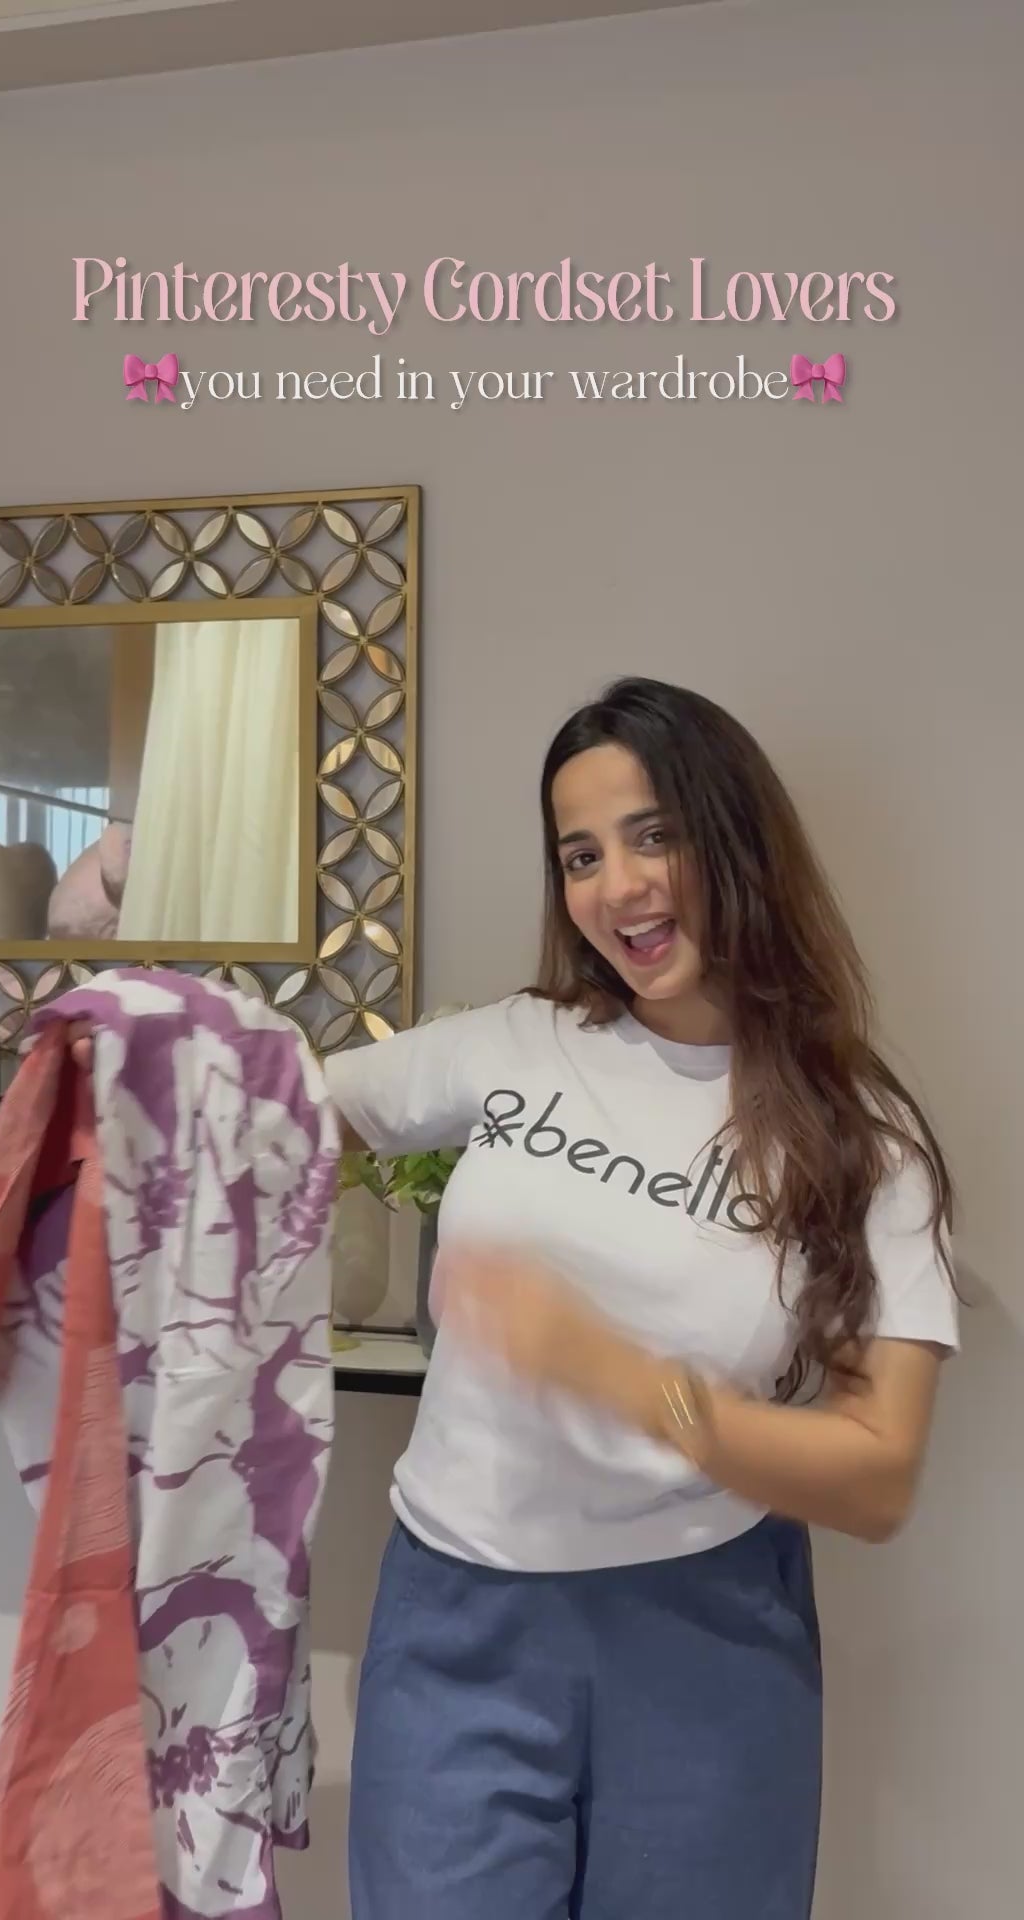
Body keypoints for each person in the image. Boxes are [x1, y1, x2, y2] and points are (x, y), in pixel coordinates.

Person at [321, 676, 959, 1920]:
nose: (619, 888)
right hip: (455, 1616)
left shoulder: (864, 1137)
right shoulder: (516, 1041)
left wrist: (622, 1381)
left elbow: (880, 1474)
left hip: (706, 1636)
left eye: (655, 835)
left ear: (736, 839)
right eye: (582, 854)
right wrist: (145, 1057)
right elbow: (294, 1109)